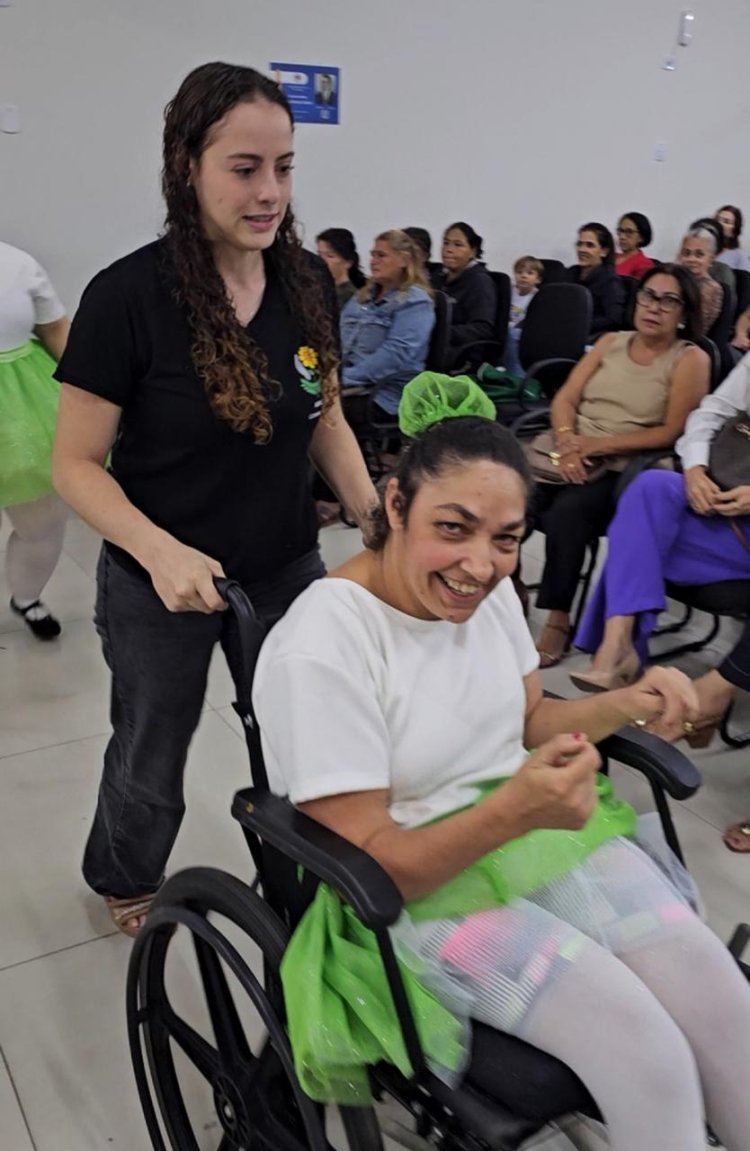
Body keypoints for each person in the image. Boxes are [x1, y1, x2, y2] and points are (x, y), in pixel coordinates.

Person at [253, 376, 750, 1151]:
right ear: (393, 505)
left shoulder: (484, 600)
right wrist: (516, 809)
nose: (481, 567)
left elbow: (526, 719)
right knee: (646, 1052)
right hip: (412, 894)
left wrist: (629, 701)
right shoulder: (324, 645)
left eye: (506, 538)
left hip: (518, 833)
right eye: (453, 528)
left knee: (723, 1001)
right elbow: (382, 869)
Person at [51, 62, 378, 937]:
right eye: (245, 168)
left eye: (285, 166)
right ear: (186, 165)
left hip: (283, 564)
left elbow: (325, 415)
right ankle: (124, 869)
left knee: (303, 743)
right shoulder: (127, 296)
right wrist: (159, 551)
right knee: (152, 752)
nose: (270, 191)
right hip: (160, 580)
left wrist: (374, 511)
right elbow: (76, 464)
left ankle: (303, 885)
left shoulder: (307, 280)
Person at [529, 264, 709, 668]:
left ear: (685, 312)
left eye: (669, 300)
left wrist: (598, 446)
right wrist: (568, 440)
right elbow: (565, 398)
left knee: (567, 514)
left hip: (627, 467)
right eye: (648, 295)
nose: (655, 307)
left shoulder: (690, 358)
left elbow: (673, 431)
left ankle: (558, 620)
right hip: (571, 449)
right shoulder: (610, 341)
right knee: (511, 495)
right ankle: (509, 587)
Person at [573, 352, 750, 693]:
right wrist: (696, 468)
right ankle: (618, 642)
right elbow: (712, 413)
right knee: (652, 487)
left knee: (636, 539)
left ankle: (618, 653)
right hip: (718, 504)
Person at [0, 239, 70, 639]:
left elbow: (56, 330)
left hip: (27, 408)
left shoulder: (17, 263)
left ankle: (26, 597)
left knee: (42, 523)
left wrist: (101, 392)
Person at [340, 229, 434, 417]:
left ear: (404, 261)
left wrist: (345, 378)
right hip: (346, 383)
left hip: (382, 393)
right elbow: (336, 336)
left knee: (310, 411)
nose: (373, 261)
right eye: (373, 255)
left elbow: (396, 354)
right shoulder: (362, 296)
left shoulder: (415, 301)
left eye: (381, 255)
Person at [436, 222, 496, 366]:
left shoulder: (480, 282)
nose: (449, 249)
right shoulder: (438, 277)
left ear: (473, 251)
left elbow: (483, 329)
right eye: (446, 243)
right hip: (434, 347)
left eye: (458, 245)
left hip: (462, 356)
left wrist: (439, 332)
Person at [567, 222, 625, 338]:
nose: (582, 249)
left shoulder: (610, 281)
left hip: (588, 338)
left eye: (590, 245)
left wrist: (578, 325)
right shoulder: (571, 273)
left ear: (604, 251)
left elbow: (614, 319)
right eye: (579, 244)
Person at [677, 225, 725, 335]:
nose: (691, 259)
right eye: (686, 253)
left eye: (699, 255)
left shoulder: (712, 289)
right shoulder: (676, 281)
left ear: (711, 260)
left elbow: (695, 330)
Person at [503, 255, 543, 376]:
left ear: (538, 279)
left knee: (513, 334)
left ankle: (516, 375)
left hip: (525, 332)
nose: (523, 276)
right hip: (508, 328)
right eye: (519, 272)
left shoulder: (538, 296)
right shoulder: (510, 291)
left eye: (530, 273)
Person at [315, 228, 366, 310]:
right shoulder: (317, 290)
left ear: (348, 262)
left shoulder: (350, 297)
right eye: (319, 255)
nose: (322, 261)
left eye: (330, 256)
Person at [615, 212, 654, 279]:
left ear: (641, 237)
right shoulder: (612, 257)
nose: (622, 237)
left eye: (629, 232)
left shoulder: (644, 264)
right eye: (620, 231)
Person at [715, 205, 750, 272]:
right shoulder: (705, 251)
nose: (719, 223)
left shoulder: (740, 256)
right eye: (718, 219)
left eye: (726, 222)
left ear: (734, 231)